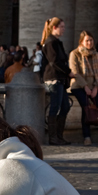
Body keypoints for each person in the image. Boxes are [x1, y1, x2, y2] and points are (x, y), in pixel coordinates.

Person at [68, 31, 98, 146]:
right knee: (86, 108)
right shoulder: (75, 53)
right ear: (81, 41)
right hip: (79, 85)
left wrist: (96, 87)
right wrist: (85, 87)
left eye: (91, 40)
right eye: (87, 40)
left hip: (94, 86)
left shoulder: (96, 54)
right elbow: (75, 72)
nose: (89, 42)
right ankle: (86, 136)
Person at [40, 17, 71, 145]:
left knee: (65, 106)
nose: (64, 29)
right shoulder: (50, 42)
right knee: (55, 107)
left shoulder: (57, 42)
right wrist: (69, 71)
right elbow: (54, 62)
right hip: (54, 78)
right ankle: (53, 137)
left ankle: (59, 135)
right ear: (54, 28)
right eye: (62, 27)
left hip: (60, 79)